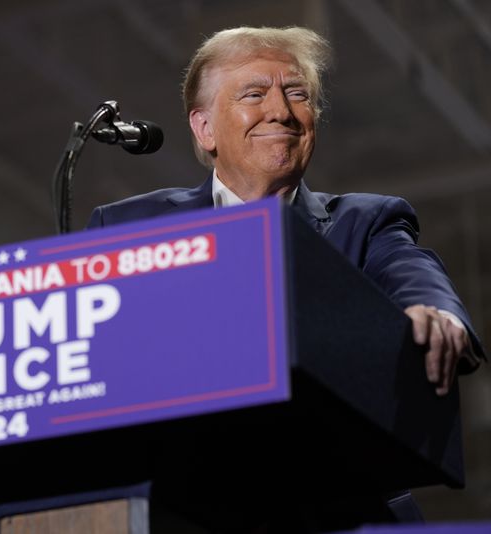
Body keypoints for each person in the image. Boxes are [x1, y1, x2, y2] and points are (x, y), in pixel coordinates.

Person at [86, 26, 484, 528]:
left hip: (336, 510)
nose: (281, 110)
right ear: (204, 128)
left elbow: (411, 271)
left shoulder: (364, 221)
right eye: (254, 94)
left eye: (297, 94)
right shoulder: (127, 227)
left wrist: (440, 314)